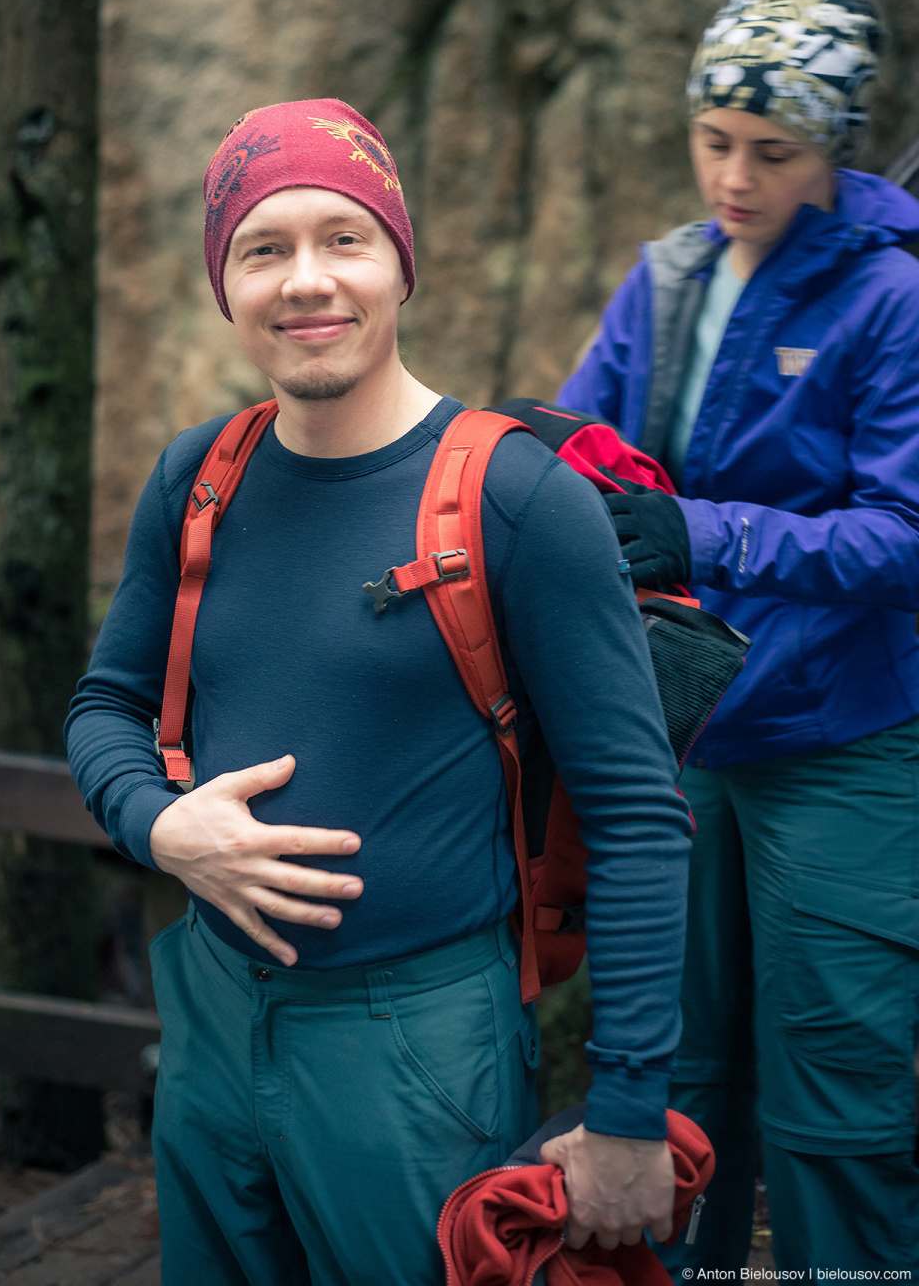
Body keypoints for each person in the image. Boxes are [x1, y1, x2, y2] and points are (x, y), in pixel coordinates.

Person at [65, 98, 692, 1285]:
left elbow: (640, 816)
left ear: (402, 264)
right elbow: (105, 706)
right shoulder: (196, 477)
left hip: (417, 1042)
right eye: (265, 247)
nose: (308, 281)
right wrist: (161, 826)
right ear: (225, 284)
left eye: (343, 238)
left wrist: (628, 1106)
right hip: (210, 1016)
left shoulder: (516, 497)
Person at [558, 0, 919, 1273]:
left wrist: (704, 532)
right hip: (689, 733)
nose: (734, 176)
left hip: (847, 742)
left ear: (831, 145)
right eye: (713, 140)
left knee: (838, 1108)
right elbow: (572, 442)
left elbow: (907, 536)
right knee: (679, 1087)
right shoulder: (666, 279)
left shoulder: (893, 297)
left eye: (771, 149)